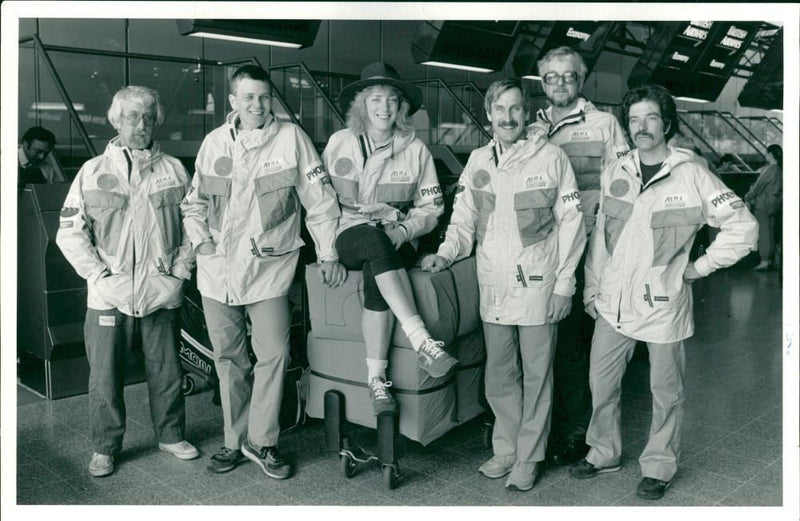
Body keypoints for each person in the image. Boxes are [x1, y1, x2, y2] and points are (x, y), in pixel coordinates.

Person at [570, 84, 757, 500]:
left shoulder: (691, 174)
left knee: (665, 391)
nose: (642, 127)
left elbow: (744, 228)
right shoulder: (616, 172)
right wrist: (593, 289)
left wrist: (698, 267)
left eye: (650, 117)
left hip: (661, 304)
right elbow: (602, 237)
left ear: (666, 122)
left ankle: (659, 465)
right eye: (634, 119)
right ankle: (603, 452)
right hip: (612, 302)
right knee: (601, 384)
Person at [181, 65, 345, 479]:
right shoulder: (214, 143)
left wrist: (327, 252)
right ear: (233, 102)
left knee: (275, 354)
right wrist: (201, 240)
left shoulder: (291, 139)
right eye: (248, 97)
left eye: (264, 96)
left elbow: (320, 201)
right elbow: (194, 203)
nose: (257, 104)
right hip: (217, 272)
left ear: (271, 99)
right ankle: (233, 442)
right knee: (229, 360)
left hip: (269, 268)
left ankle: (262, 441)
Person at [422, 78, 585, 491]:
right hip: (493, 284)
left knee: (537, 375)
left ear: (525, 113)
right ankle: (506, 449)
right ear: (488, 114)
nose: (508, 117)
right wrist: (446, 252)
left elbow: (573, 224)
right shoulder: (478, 161)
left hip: (538, 285)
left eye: (515, 109)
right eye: (500, 109)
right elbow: (463, 220)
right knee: (499, 373)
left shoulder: (551, 158)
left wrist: (565, 284)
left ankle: (530, 456)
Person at [56, 86, 199, 478]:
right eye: (132, 117)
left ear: (157, 123)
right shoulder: (93, 171)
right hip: (108, 295)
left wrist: (179, 274)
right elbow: (69, 233)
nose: (141, 125)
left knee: (167, 371)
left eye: (148, 118)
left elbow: (194, 228)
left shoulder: (174, 170)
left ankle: (171, 435)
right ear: (116, 121)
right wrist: (98, 276)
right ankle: (105, 447)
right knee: (104, 375)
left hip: (161, 290)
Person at [322, 62, 454, 417]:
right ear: (361, 105)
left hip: (396, 238)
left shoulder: (416, 150)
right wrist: (325, 254)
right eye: (375, 99)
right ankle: (421, 339)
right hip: (347, 235)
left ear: (402, 107)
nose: (384, 107)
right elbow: (318, 204)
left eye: (392, 99)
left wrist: (405, 230)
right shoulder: (339, 144)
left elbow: (432, 208)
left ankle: (376, 380)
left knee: (377, 259)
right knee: (369, 240)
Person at [529, 45, 630, 466]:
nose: (559, 83)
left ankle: (576, 430)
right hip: (540, 250)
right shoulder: (530, 127)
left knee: (573, 342)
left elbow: (624, 185)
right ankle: (543, 425)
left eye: (568, 76)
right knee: (542, 341)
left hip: (588, 246)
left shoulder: (604, 125)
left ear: (581, 79)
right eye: (550, 77)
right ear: (542, 82)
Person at [745, 144, 782, 271]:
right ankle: (769, 259)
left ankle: (764, 260)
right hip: (774, 204)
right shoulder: (779, 169)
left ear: (771, 154)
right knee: (770, 232)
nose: (765, 155)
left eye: (766, 153)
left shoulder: (770, 169)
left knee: (763, 232)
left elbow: (758, 186)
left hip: (763, 205)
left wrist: (748, 196)